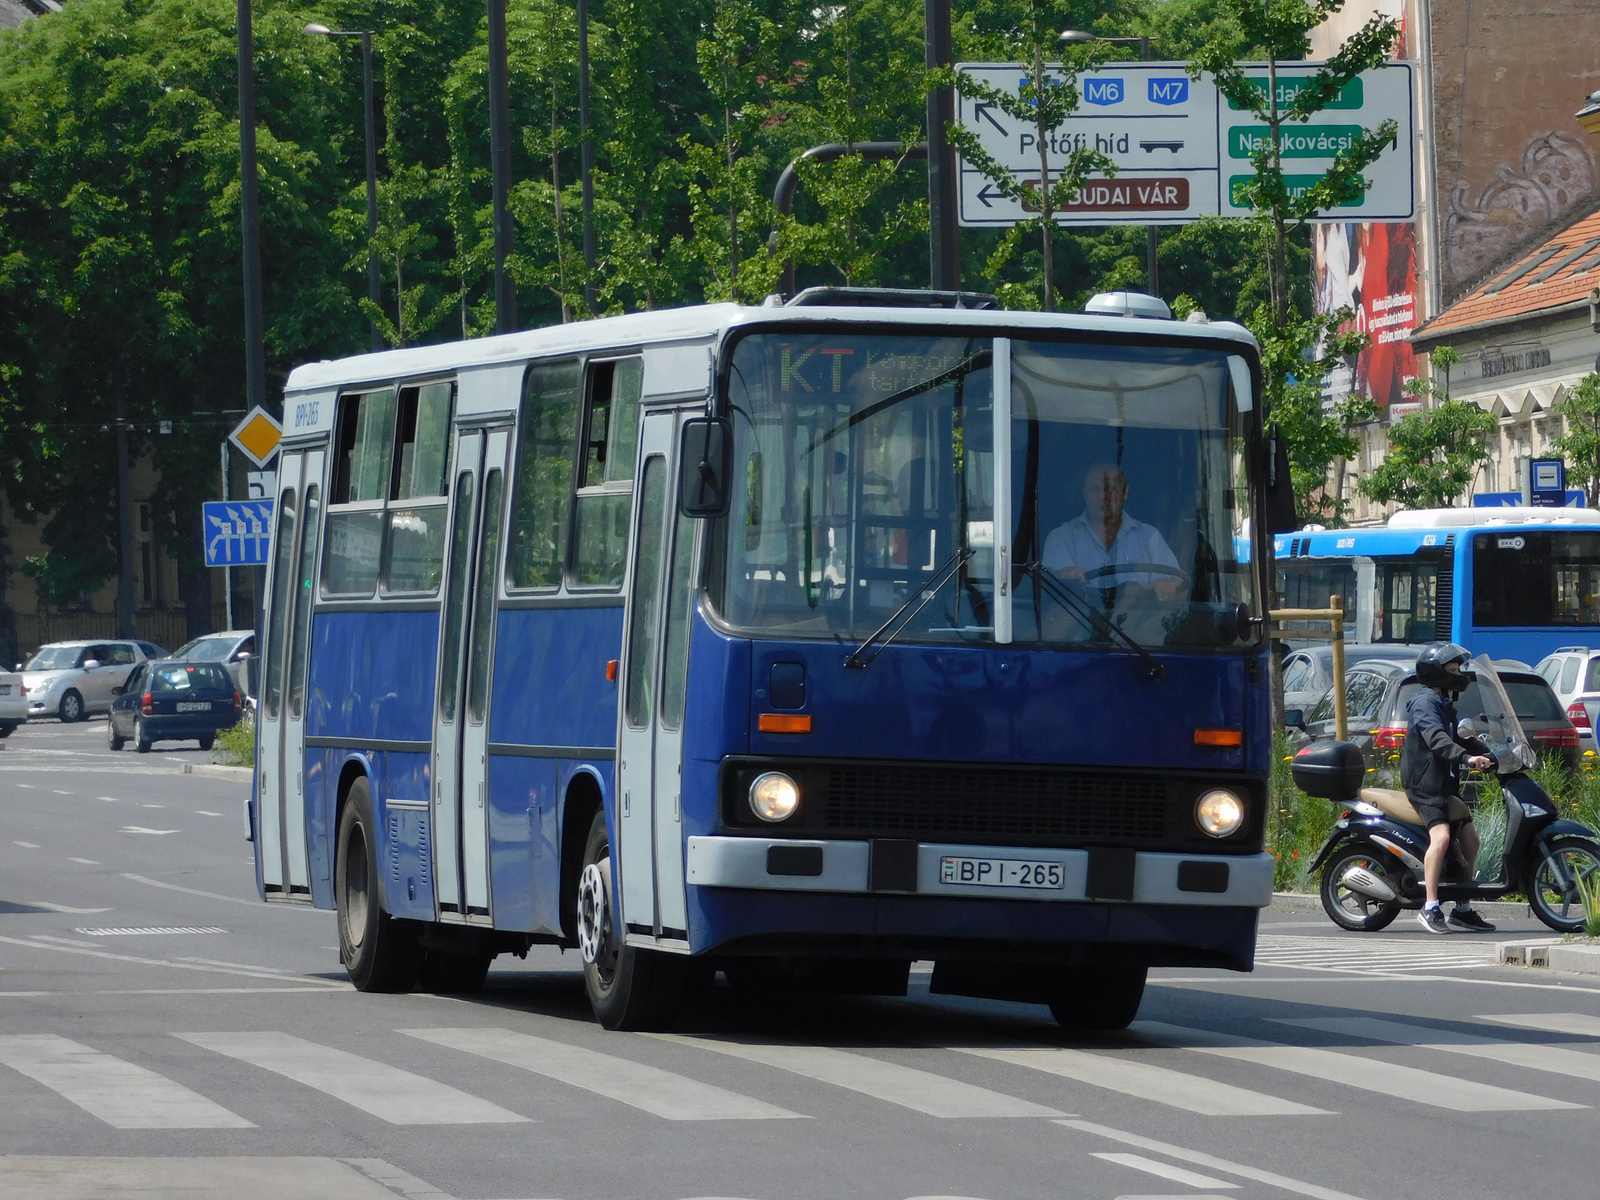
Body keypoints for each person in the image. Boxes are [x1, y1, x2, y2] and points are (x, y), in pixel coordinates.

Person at [1403, 642, 1497, 934]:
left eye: (1459, 670)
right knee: (1442, 839)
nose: (1459, 676)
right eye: (1453, 670)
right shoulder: (1424, 703)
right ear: (1435, 673)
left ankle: (1462, 907)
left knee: (1471, 843)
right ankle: (1430, 907)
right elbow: (1438, 740)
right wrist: (1468, 758)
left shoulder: (1444, 702)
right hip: (1425, 785)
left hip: (1445, 784)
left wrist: (1494, 753)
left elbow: (1459, 736)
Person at [1043, 463, 1183, 605]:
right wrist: (1061, 576)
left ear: (1125, 492)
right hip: (1079, 625)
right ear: (1084, 493)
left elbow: (1179, 586)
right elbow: (1048, 592)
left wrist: (1167, 584)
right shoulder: (1061, 538)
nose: (1104, 497)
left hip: (1138, 625)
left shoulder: (1150, 537)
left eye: (1111, 488)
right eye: (1095, 489)